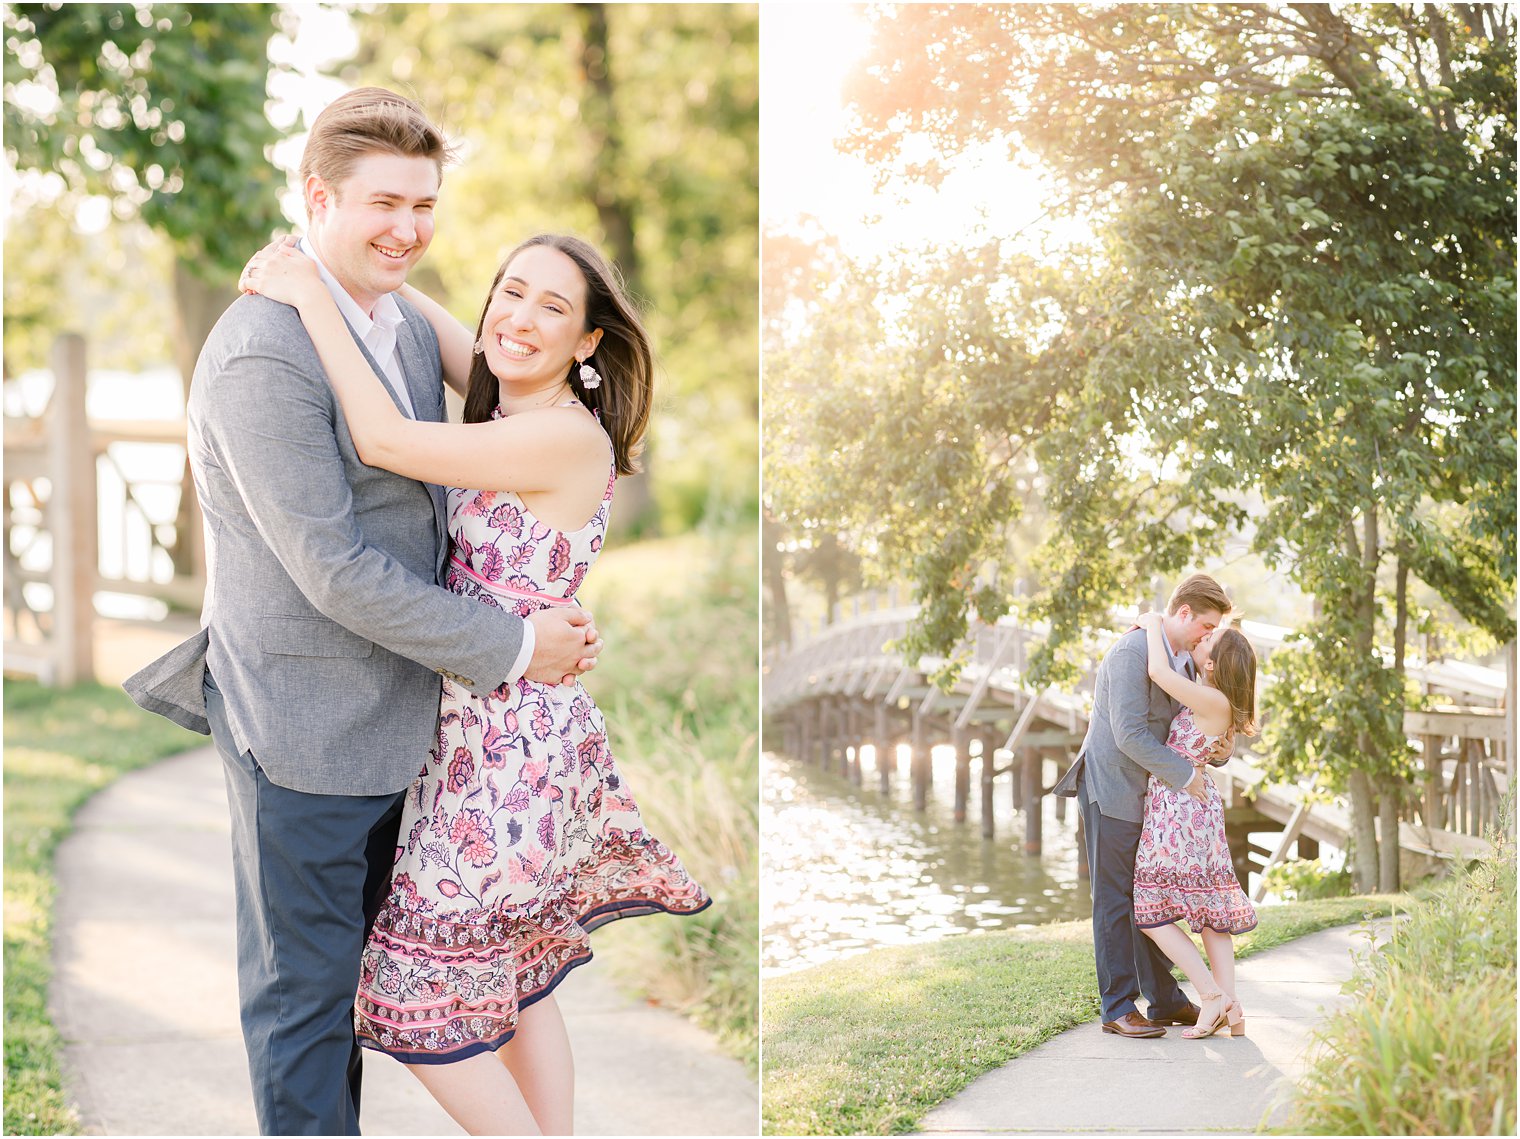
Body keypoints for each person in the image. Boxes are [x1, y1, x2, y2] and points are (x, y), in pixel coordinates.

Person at [124, 89, 602, 1136]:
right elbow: (331, 569)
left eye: (425, 204)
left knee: (460, 974)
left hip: (418, 726)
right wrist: (517, 642)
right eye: (384, 201)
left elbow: (458, 435)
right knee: (307, 1008)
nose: (408, 227)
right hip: (307, 727)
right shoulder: (264, 352)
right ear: (315, 197)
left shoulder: (382, 323)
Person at [238, 228, 711, 1135]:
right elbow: (457, 324)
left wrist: (305, 291)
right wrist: (349, 261)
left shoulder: (560, 438)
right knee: (520, 976)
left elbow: (380, 438)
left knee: (412, 1002)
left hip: (510, 755)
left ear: (588, 344)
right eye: (511, 290)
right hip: (499, 729)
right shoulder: (515, 398)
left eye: (553, 306)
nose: (520, 318)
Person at [1052, 573, 1233, 1039]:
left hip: (1156, 802)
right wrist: (1187, 774)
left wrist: (1214, 749)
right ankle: (1117, 1006)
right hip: (1112, 790)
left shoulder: (1186, 660)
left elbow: (1189, 720)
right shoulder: (1131, 653)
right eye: (1206, 625)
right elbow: (1129, 734)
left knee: (1152, 898)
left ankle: (1165, 1000)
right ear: (1184, 613)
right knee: (1115, 900)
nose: (1208, 636)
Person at [1132, 609, 1258, 1039]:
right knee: (1209, 914)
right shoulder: (1216, 700)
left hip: (1180, 812)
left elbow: (1155, 669)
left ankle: (1210, 994)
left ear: (1211, 663)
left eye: (1209, 639)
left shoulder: (1212, 701)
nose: (1201, 638)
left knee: (1149, 909)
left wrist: (1151, 622)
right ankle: (1232, 1008)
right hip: (1193, 810)